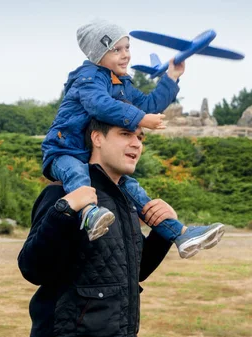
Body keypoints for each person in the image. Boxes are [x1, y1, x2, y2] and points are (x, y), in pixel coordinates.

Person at [41, 19, 224, 259]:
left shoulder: (121, 83)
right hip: (64, 150)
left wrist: (170, 78)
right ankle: (89, 214)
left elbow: (149, 105)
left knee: (134, 190)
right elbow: (99, 105)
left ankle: (180, 234)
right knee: (77, 176)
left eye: (127, 47)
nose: (125, 55)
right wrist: (140, 118)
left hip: (89, 155)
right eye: (116, 50)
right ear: (98, 54)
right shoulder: (88, 78)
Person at [19, 119, 187, 337]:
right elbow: (32, 270)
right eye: (126, 134)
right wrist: (64, 210)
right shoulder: (62, 194)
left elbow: (134, 270)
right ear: (97, 138)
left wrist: (161, 232)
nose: (136, 143)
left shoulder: (126, 200)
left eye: (140, 137)